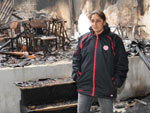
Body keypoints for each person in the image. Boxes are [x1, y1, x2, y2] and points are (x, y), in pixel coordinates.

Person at [72, 10, 129, 113]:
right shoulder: (83, 39)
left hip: (106, 85)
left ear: (104, 22)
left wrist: (116, 81)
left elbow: (122, 63)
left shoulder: (114, 40)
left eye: (98, 21)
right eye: (92, 21)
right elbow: (76, 60)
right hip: (85, 84)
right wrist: (77, 75)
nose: (95, 24)